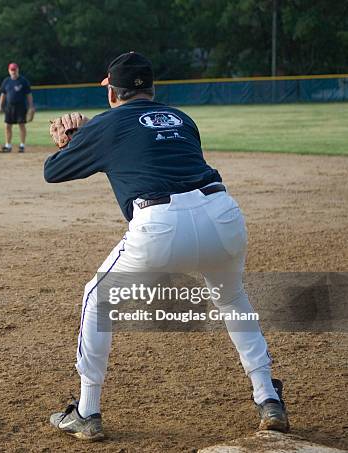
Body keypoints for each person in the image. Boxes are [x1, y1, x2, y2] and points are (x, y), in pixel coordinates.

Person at [44, 52, 289, 441]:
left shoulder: (106, 123)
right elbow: (147, 144)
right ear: (152, 88)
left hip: (160, 226)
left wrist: (69, 141)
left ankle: (87, 412)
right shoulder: (182, 119)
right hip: (222, 215)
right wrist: (91, 135)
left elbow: (53, 171)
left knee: (97, 297)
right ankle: (268, 397)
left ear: (113, 91)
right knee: (231, 298)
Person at [0, 62, 34, 153]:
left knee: (21, 125)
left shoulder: (23, 81)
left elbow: (29, 94)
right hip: (9, 107)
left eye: (15, 69)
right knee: (7, 126)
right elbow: (3, 94)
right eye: (11, 70)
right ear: (9, 71)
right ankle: (8, 145)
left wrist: (31, 106)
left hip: (21, 106)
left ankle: (22, 145)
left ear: (18, 70)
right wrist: (0, 106)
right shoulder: (6, 81)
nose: (13, 71)